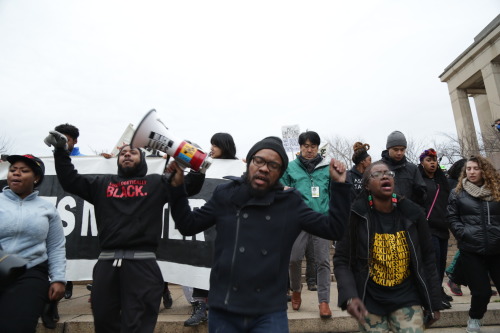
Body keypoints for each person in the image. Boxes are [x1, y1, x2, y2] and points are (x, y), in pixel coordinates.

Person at [166, 136, 351, 332]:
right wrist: (176, 189)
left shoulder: (291, 203)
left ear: (280, 172)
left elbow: (334, 229)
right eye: (259, 161)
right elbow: (187, 225)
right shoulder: (225, 194)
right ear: (249, 162)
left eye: (273, 165)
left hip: (269, 312)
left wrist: (339, 186)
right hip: (224, 309)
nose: (264, 168)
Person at [44, 131, 205, 333]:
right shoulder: (101, 184)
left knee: (138, 326)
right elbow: (70, 180)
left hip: (143, 267)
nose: (127, 155)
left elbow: (190, 186)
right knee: (104, 323)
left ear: (143, 160)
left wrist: (195, 160)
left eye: (133, 153)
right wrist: (60, 151)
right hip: (106, 267)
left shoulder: (157, 183)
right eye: (123, 153)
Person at [334, 161, 442, 332]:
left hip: (407, 297)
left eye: (388, 174)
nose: (385, 176)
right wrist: (350, 296)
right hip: (370, 300)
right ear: (367, 185)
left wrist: (434, 302)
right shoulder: (355, 216)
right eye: (377, 174)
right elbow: (341, 259)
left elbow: (428, 257)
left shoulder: (413, 214)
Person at [0, 154, 66, 332]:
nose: (16, 174)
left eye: (24, 170)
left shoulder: (47, 209)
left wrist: (58, 279)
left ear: (36, 178)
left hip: (31, 272)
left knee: (18, 325)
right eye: (13, 170)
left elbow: (56, 246)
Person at [183, 132, 239, 327]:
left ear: (225, 146)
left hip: (228, 229)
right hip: (205, 224)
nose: (211, 148)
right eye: (211, 144)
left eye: (215, 144)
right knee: (201, 262)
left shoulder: (240, 167)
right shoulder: (205, 164)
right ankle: (200, 307)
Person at [280, 131, 336, 318]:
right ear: (300, 147)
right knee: (294, 258)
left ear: (317, 148)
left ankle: (324, 301)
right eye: (306, 146)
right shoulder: (291, 167)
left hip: (321, 219)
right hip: (298, 220)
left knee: (323, 261)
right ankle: (296, 290)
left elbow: (333, 194)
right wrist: (284, 191)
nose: (309, 150)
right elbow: (281, 188)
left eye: (313, 146)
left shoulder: (327, 167)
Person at [447, 155, 500, 333]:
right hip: (471, 249)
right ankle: (475, 318)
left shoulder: (496, 191)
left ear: (484, 171)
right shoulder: (457, 193)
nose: (471, 172)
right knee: (481, 292)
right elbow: (452, 217)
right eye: (468, 169)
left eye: (475, 168)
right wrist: (464, 233)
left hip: (497, 247)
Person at [418, 148, 452, 309]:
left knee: (441, 263)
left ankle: (438, 291)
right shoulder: (419, 181)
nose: (432, 163)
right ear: (422, 162)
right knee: (433, 262)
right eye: (428, 160)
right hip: (428, 228)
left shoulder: (441, 181)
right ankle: (433, 296)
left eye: (434, 160)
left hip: (443, 227)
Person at [380, 130, 426, 206]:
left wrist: (420, 193)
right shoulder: (377, 168)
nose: (399, 153)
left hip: (408, 215)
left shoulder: (413, 169)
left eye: (402, 149)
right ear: (388, 149)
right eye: (395, 149)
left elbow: (423, 197)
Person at [445, 158, 467, 297]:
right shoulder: (452, 185)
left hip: (470, 221)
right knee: (466, 249)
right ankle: (453, 272)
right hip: (460, 222)